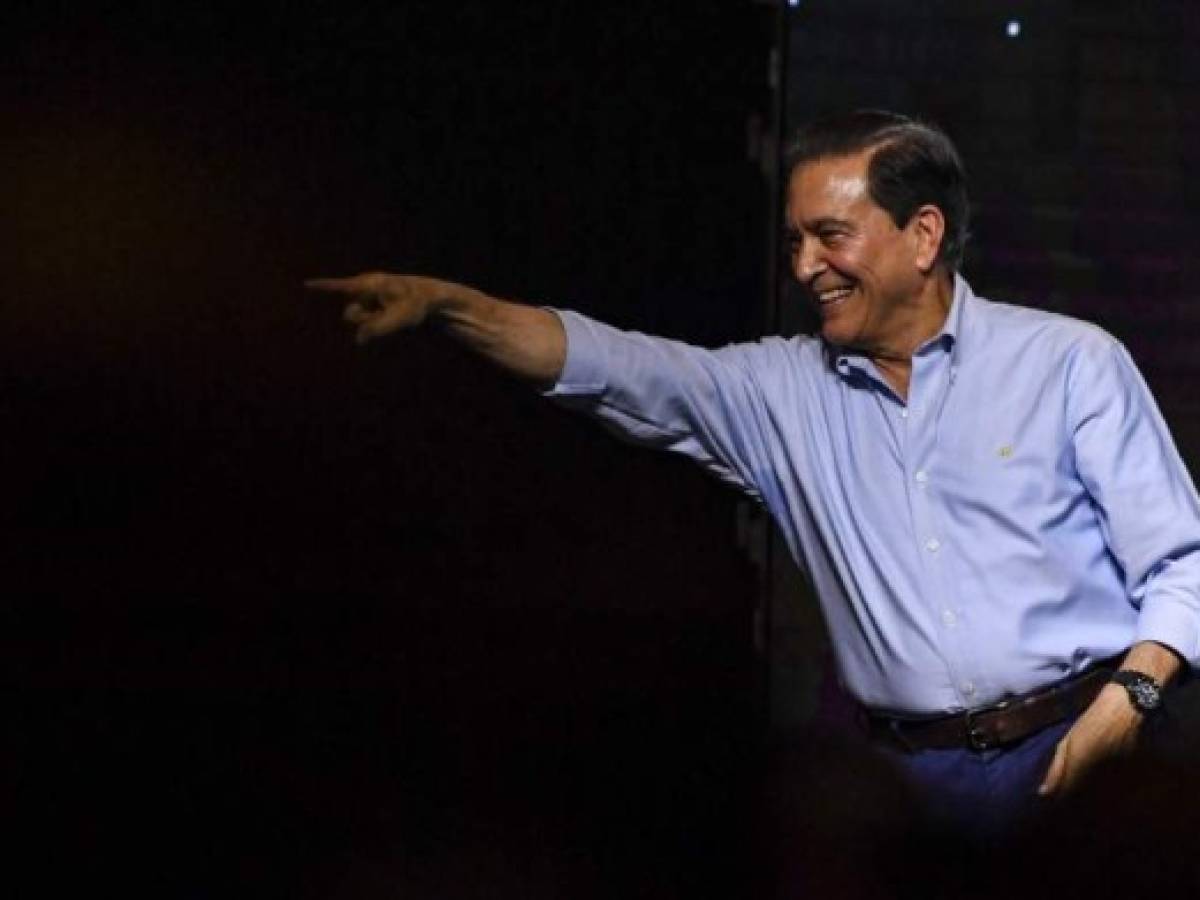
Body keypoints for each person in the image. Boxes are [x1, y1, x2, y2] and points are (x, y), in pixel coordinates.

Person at [307, 110, 1200, 831]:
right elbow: (614, 365)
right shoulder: (779, 393)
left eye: (831, 236)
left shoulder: (1068, 364)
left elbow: (1184, 565)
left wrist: (1123, 710)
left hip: (1084, 760)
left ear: (922, 235)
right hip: (905, 789)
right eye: (795, 241)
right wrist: (447, 306)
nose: (807, 266)